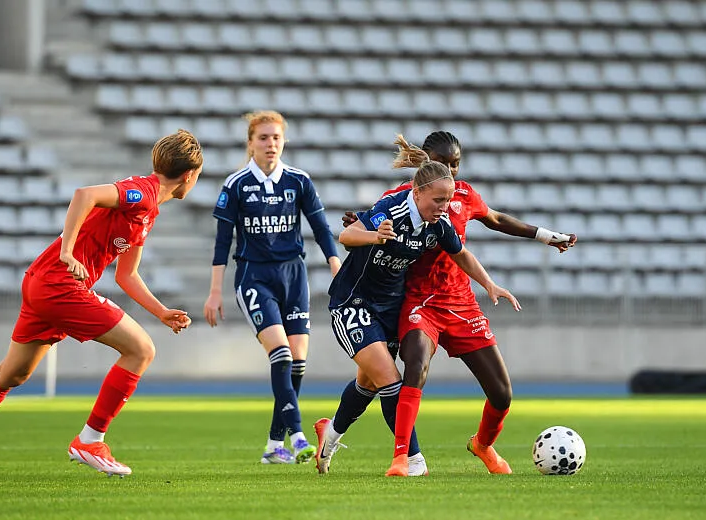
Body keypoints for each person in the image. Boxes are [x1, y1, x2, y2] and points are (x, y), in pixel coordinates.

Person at [0, 129, 204, 485]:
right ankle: (91, 440)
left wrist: (160, 311)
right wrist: (68, 251)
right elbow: (85, 195)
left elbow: (127, 275)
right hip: (59, 283)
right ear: (189, 175)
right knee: (141, 350)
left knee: (13, 374)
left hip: (42, 281)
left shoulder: (149, 211)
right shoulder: (142, 193)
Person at [344, 131, 576, 476]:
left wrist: (545, 236)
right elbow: (375, 226)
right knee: (414, 368)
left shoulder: (463, 194)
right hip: (419, 301)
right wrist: (361, 230)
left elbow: (496, 220)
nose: (451, 170)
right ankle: (402, 458)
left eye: (456, 164)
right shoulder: (400, 197)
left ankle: (482, 444)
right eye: (443, 163)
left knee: (502, 394)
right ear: (426, 160)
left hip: (461, 303)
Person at [314, 155, 521, 477]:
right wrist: (375, 236)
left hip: (391, 307)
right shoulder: (391, 210)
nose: (444, 207)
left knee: (367, 383)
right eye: (438, 200)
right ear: (417, 192)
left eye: (448, 200)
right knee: (389, 380)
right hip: (354, 303)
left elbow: (461, 254)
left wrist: (489, 284)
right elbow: (347, 236)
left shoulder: (439, 223)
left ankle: (330, 433)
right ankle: (412, 459)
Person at [203, 110, 341, 465]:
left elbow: (321, 227)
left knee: (297, 363)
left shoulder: (298, 180)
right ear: (250, 143)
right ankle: (298, 436)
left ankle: (273, 446)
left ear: (284, 142)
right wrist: (215, 291)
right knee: (280, 353)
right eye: (263, 137)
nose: (270, 144)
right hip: (255, 277)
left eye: (276, 137)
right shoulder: (236, 185)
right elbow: (222, 242)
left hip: (294, 276)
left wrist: (334, 263)